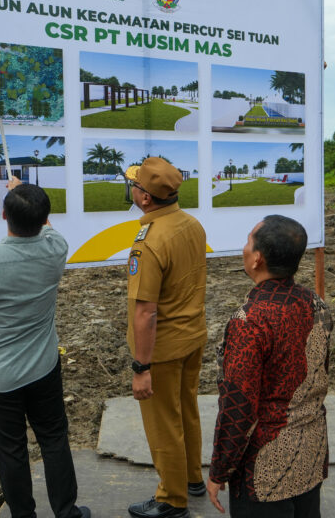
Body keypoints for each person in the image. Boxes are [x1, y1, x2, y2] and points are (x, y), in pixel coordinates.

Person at [0, 178, 90, 518]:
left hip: (0, 379)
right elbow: (48, 227)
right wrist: (25, 189)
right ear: (44, 220)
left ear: (2, 215)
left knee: (11, 452)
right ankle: (66, 512)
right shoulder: (56, 248)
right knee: (54, 438)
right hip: (43, 368)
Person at [206, 215, 333, 517]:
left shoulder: (249, 321)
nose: (244, 248)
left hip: (265, 465)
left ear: (257, 259)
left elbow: (239, 406)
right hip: (310, 452)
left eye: (248, 241)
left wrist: (219, 470)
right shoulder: (316, 305)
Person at [124, 158, 207, 518]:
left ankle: (172, 500)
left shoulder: (149, 242)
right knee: (186, 411)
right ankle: (191, 479)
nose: (131, 188)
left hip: (162, 349)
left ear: (144, 199)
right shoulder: (191, 224)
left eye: (134, 185)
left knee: (164, 424)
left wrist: (141, 366)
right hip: (192, 337)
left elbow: (146, 312)